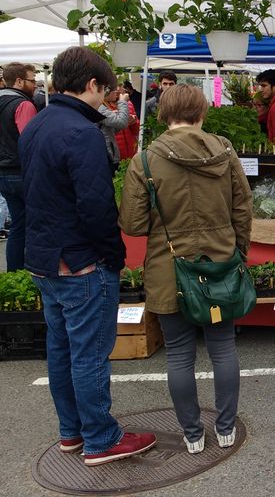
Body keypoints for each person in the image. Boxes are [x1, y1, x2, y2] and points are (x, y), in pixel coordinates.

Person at [19, 46, 156, 465]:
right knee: (90, 352)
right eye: (106, 92)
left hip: (44, 257)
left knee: (61, 350)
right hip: (80, 261)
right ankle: (101, 438)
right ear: (92, 85)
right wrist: (113, 255)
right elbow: (95, 206)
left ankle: (72, 433)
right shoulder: (81, 133)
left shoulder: (38, 123)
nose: (108, 101)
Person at [119, 84, 253, 455]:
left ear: (163, 113)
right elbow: (243, 208)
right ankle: (226, 428)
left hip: (168, 268)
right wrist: (237, 250)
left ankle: (192, 435)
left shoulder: (145, 160)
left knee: (179, 354)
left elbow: (132, 224)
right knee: (223, 347)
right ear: (202, 112)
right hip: (219, 265)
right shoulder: (224, 151)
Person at [0, 62, 40, 271]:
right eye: (32, 80)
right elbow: (30, 142)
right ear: (18, 81)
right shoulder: (23, 104)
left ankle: (14, 272)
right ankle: (33, 271)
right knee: (36, 223)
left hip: (3, 174)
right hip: (21, 171)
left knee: (18, 224)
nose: (35, 84)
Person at [97, 86, 134, 166]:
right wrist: (123, 102)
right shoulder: (98, 107)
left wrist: (132, 122)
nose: (116, 91)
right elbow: (121, 122)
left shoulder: (102, 106)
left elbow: (110, 130)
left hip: (120, 151)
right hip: (110, 155)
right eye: (113, 89)